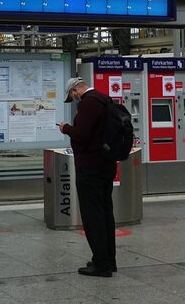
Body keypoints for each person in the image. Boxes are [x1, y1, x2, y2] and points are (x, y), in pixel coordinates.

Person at [58, 76, 117, 278]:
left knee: (93, 216)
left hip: (90, 168)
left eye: (72, 96)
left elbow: (82, 135)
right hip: (106, 165)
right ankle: (109, 260)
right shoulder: (104, 98)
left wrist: (66, 128)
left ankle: (101, 263)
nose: (73, 99)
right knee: (105, 213)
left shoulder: (88, 103)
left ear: (75, 91)